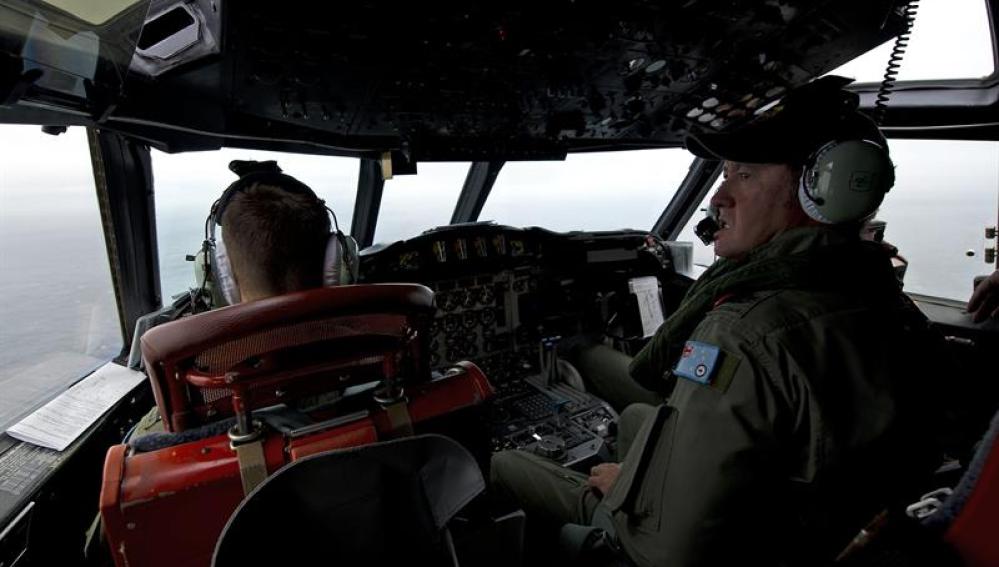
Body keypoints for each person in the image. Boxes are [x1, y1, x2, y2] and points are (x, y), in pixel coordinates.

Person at [490, 76, 941, 567]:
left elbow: (669, 552)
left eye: (744, 174)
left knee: (504, 462)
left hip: (723, 546)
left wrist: (626, 494)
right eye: (723, 174)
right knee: (639, 418)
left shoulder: (744, 331)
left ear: (823, 188)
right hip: (819, 528)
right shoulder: (879, 292)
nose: (719, 196)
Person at [85, 161, 339, 561]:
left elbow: (103, 549)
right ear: (336, 263)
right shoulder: (387, 354)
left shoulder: (169, 424)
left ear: (220, 274)